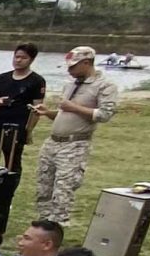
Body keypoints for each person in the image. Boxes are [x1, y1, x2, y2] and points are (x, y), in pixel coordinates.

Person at [30, 44, 120, 226]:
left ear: (87, 63)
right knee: (44, 186)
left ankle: (57, 226)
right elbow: (65, 114)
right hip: (53, 142)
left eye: (73, 66)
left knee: (63, 188)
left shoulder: (104, 85)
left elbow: (105, 115)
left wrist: (74, 107)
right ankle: (43, 224)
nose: (70, 70)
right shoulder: (70, 85)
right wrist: (48, 112)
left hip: (75, 145)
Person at [0, 43, 46, 213]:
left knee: (11, 163)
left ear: (31, 59)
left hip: (17, 126)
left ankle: (6, 197)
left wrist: (29, 131)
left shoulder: (36, 81)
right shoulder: (3, 77)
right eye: (16, 56)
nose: (18, 60)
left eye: (23, 57)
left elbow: (37, 109)